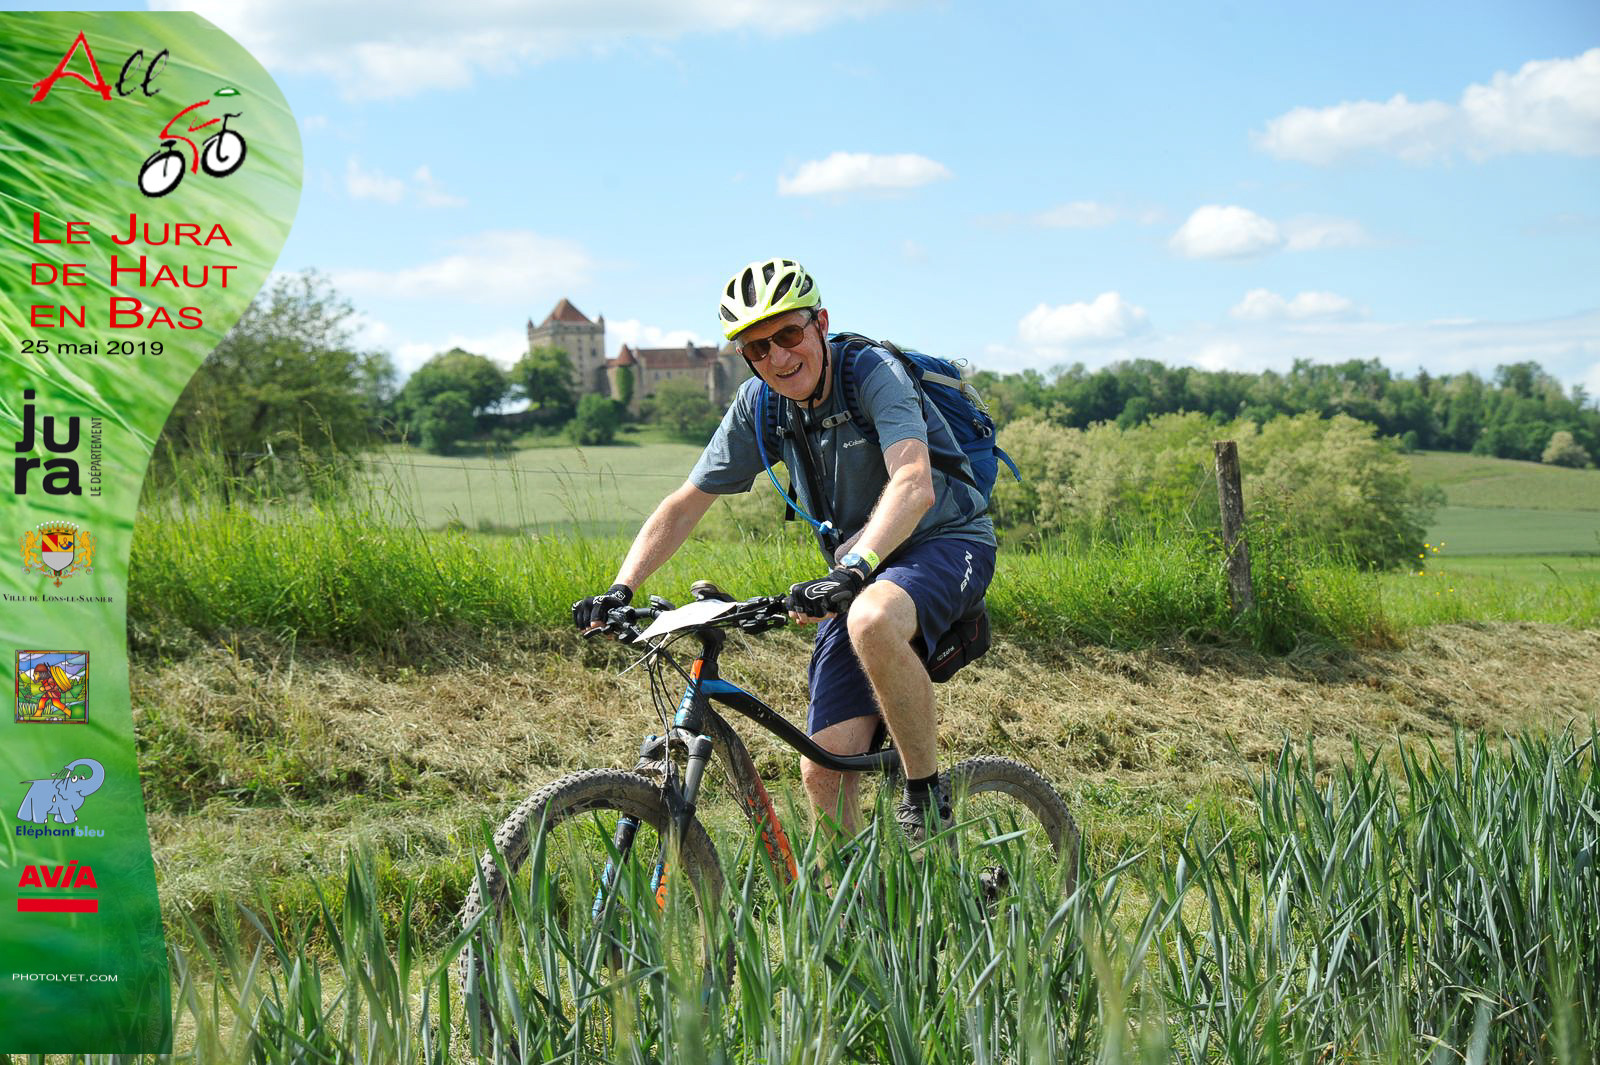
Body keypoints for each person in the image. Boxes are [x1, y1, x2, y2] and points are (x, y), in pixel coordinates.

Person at [574, 258, 996, 840]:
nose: (777, 357)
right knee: (823, 770)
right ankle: (861, 897)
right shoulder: (761, 405)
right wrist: (621, 588)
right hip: (857, 573)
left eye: (789, 335)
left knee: (872, 619)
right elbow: (686, 504)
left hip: (944, 542)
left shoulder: (873, 373)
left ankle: (926, 797)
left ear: (820, 323)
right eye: (757, 348)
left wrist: (854, 569)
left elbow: (913, 483)